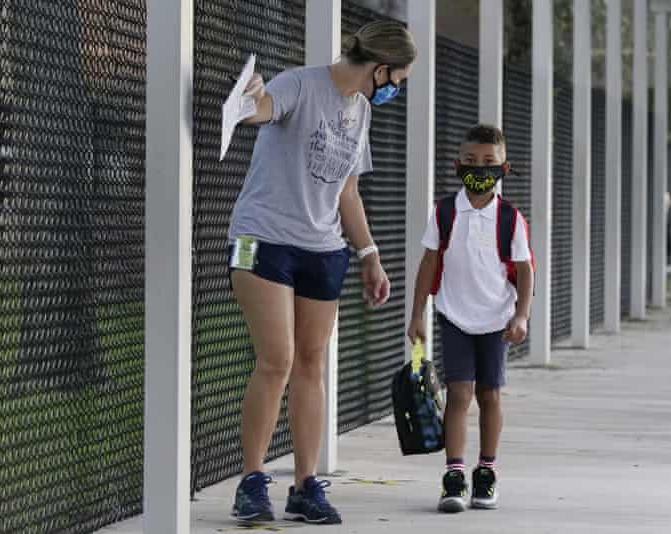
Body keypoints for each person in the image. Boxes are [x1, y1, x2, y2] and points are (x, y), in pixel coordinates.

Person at [227, 21, 416, 525]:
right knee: (277, 359)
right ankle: (251, 481)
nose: (398, 88)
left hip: (323, 248)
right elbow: (263, 111)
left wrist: (369, 253)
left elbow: (347, 192)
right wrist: (251, 99)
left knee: (312, 364)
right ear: (380, 69)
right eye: (398, 78)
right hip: (262, 239)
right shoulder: (301, 83)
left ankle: (306, 485)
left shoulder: (359, 112)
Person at [407, 124, 534, 513]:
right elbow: (429, 262)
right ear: (457, 164)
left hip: (496, 319)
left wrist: (521, 314)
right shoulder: (445, 211)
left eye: (489, 162)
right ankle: (454, 474)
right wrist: (417, 314)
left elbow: (524, 268)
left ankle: (487, 472)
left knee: (490, 395)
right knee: (459, 395)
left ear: (504, 168)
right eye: (471, 161)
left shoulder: (509, 218)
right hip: (454, 315)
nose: (479, 168)